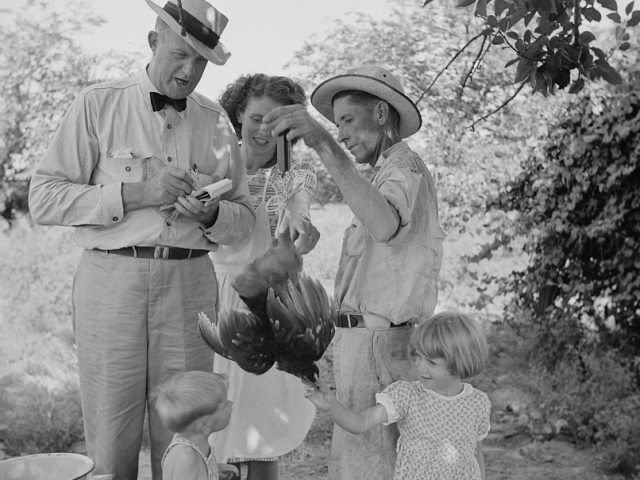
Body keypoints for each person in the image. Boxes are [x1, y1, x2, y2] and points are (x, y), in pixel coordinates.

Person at [28, 1, 255, 479]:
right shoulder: (98, 103)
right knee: (111, 434)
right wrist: (135, 194)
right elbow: (44, 198)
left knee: (186, 430)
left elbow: (244, 219)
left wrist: (214, 213)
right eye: (179, 54)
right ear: (153, 43)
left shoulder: (216, 123)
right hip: (112, 282)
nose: (189, 71)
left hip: (191, 286)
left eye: (200, 62)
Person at [263, 65, 447, 479]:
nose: (342, 133)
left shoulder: (405, 168)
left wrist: (321, 142)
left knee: (371, 467)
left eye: (347, 120)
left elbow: (384, 225)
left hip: (378, 346)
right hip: (364, 345)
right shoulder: (383, 174)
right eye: (335, 124)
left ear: (381, 114)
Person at [209, 73, 319, 480]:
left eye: (275, 123)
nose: (263, 130)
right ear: (238, 113)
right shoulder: (213, 162)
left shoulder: (293, 175)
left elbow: (299, 216)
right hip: (209, 296)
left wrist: (301, 231)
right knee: (210, 423)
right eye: (256, 117)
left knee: (258, 430)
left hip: (262, 302)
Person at [304, 312, 491, 480]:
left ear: (460, 363)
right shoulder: (407, 395)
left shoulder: (478, 402)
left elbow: (476, 451)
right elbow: (361, 422)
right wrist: (331, 405)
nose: (419, 366)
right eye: (417, 356)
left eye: (431, 363)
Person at [153, 371, 238, 480]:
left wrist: (214, 470)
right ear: (204, 426)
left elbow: (199, 470)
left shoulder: (195, 444)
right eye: (224, 405)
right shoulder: (185, 457)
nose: (231, 404)